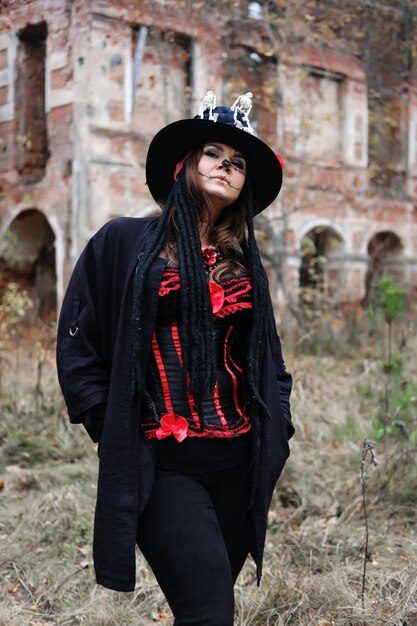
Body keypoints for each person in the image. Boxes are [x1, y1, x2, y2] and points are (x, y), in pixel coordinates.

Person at [56, 90, 294, 626]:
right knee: (211, 613)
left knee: (207, 606)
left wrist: (282, 420)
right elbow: (76, 342)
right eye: (214, 153)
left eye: (237, 164)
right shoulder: (123, 242)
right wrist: (107, 422)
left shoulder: (246, 266)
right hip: (161, 464)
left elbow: (269, 359)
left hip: (239, 463)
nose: (226, 168)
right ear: (186, 163)